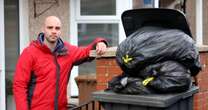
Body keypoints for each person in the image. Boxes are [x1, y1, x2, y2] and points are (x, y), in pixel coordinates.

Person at [13, 16, 107, 110]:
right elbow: (19, 86)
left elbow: (86, 51)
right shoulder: (29, 53)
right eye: (50, 27)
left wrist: (100, 42)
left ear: (60, 31)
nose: (54, 31)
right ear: (43, 29)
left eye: (57, 28)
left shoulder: (67, 51)